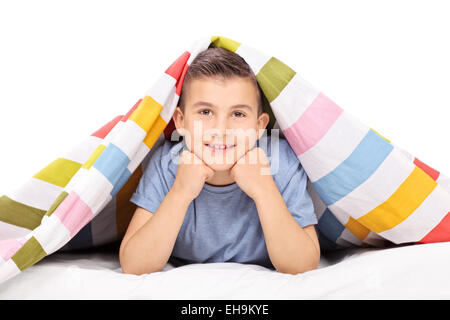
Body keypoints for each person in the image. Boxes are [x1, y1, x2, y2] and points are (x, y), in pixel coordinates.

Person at [119, 47, 320, 275]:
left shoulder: (280, 162)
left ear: (259, 126)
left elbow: (303, 265)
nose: (221, 130)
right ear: (181, 121)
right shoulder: (167, 165)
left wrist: (264, 190)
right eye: (205, 112)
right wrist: (181, 192)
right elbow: (133, 265)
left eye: (238, 114)